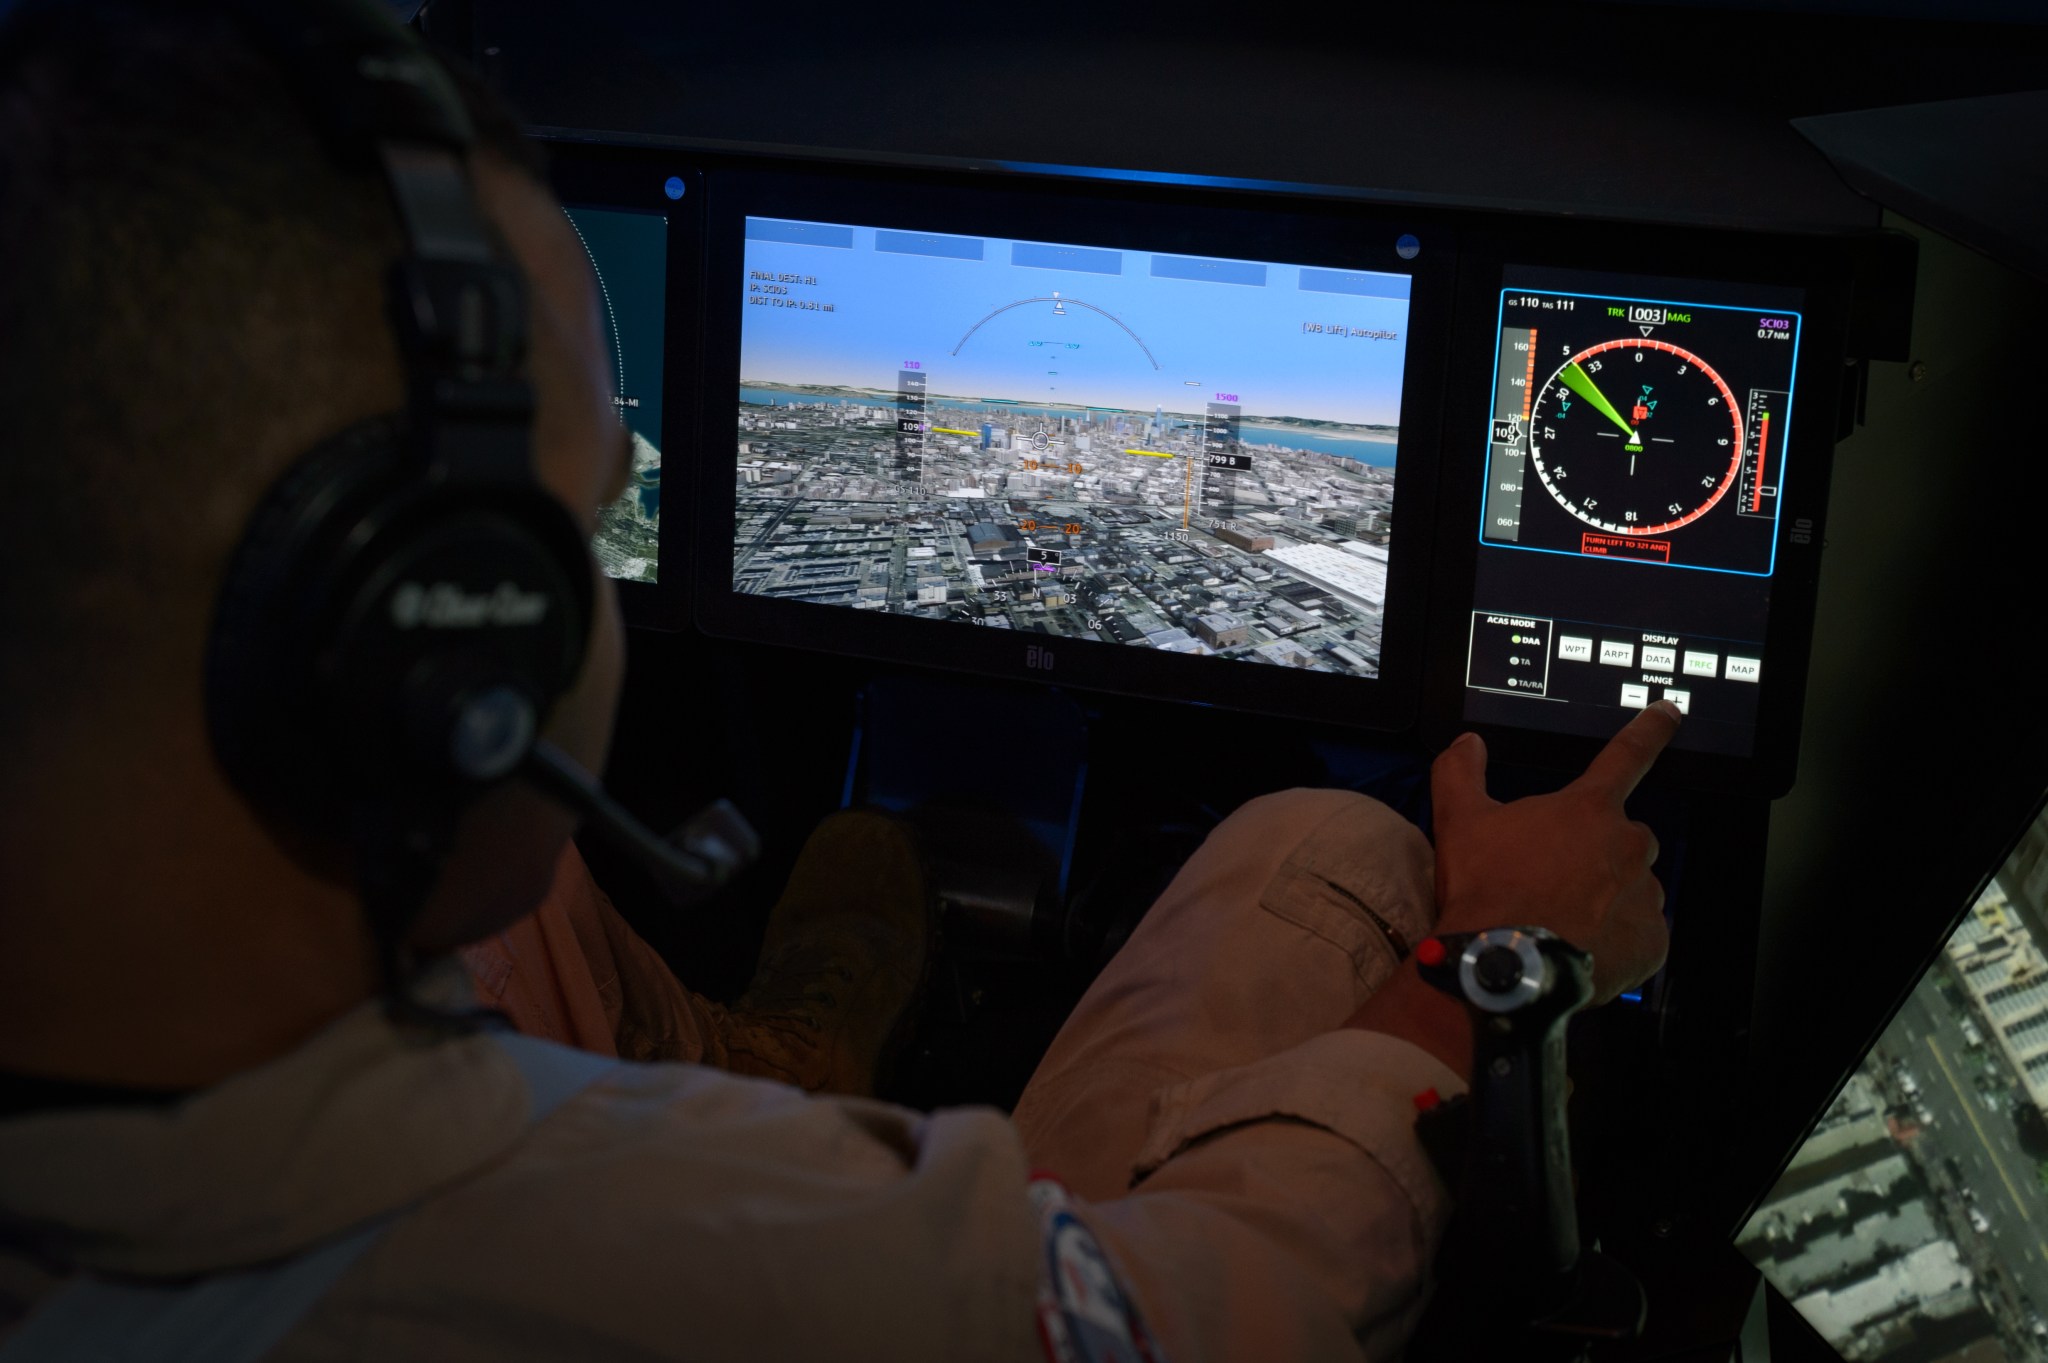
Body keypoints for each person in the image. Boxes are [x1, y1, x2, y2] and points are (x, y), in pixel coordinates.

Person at [0, 6, 1680, 1360]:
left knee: (601, 902)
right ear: (440, 638)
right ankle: (829, 1047)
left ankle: (789, 1035)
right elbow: (1248, 1312)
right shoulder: (682, 1255)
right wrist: (1492, 965)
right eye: (586, 525)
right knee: (1324, 839)